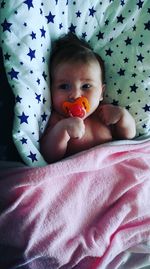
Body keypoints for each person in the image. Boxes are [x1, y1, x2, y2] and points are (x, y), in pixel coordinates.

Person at [40, 33, 136, 163]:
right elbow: (48, 156)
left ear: (101, 93)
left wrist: (122, 116)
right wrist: (62, 130)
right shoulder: (58, 119)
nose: (75, 95)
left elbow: (129, 137)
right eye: (64, 86)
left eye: (86, 86)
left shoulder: (103, 113)